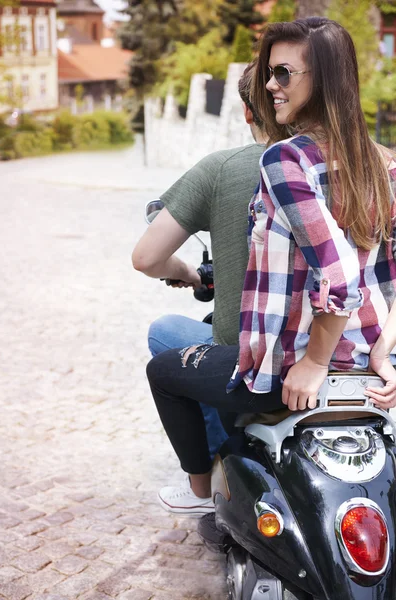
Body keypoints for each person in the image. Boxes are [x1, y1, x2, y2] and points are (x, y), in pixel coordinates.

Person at [146, 16, 396, 517]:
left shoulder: (286, 159)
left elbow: (342, 276)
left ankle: (202, 492)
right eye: (268, 72)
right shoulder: (384, 162)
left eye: (284, 74)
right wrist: (383, 352)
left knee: (164, 370)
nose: (269, 85)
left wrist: (314, 364)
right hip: (366, 367)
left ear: (323, 81)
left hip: (285, 368)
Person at [132, 62, 267, 458]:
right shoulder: (366, 162)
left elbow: (146, 257)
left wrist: (189, 274)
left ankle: (210, 467)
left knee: (164, 331)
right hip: (352, 352)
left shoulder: (223, 168)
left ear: (246, 111)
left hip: (258, 357)